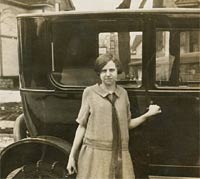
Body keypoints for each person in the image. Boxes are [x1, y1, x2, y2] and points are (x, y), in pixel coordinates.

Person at [66, 53, 161, 179]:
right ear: (99, 74)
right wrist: (72, 156)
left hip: (120, 155)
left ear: (118, 72)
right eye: (103, 71)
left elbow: (126, 124)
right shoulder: (89, 93)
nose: (108, 74)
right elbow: (82, 126)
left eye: (112, 70)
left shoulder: (123, 94)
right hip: (95, 156)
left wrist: (147, 115)